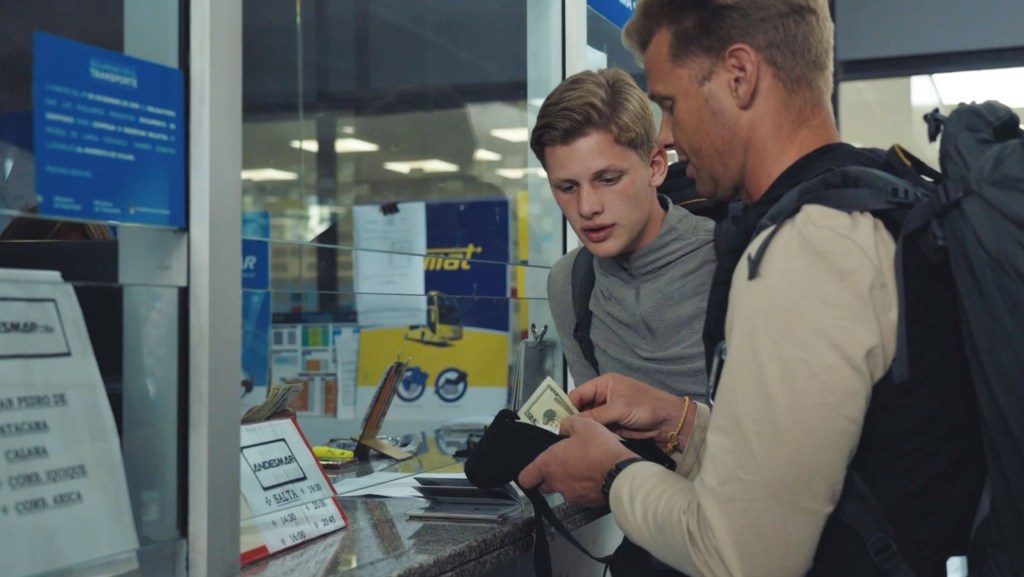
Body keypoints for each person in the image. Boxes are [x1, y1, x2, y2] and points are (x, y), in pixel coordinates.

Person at [518, 2, 985, 577]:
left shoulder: (807, 246)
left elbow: (743, 555)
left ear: (739, 77)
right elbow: (815, 465)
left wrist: (613, 475)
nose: (665, 132)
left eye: (670, 103)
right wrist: (675, 419)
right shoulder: (871, 203)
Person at [531, 68, 716, 398]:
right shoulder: (569, 282)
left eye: (608, 179)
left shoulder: (729, 257)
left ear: (655, 167)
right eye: (567, 186)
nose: (587, 207)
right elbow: (599, 429)